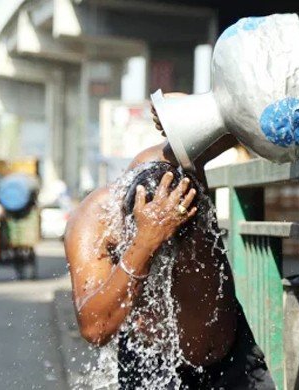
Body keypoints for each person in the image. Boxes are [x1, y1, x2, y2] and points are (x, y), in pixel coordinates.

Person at [65, 138, 276, 388]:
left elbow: (240, 117)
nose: (176, 256)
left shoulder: (183, 159)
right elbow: (95, 328)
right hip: (152, 366)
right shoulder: (95, 220)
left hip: (230, 360)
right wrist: (145, 244)